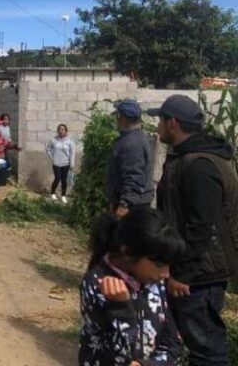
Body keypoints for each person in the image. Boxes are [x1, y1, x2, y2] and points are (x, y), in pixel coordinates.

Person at [149, 94, 238, 365]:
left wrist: (183, 275)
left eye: (161, 120)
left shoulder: (200, 165)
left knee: (207, 349)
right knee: (193, 343)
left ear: (173, 123)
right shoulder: (187, 158)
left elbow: (201, 226)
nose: (158, 126)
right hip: (193, 269)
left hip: (200, 275)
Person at [79, 207, 185, 365]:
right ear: (128, 252)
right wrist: (120, 307)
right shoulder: (97, 285)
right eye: (159, 264)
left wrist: (148, 364)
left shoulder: (154, 283)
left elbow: (173, 342)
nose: (166, 274)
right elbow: (119, 357)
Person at [106, 98, 154, 217]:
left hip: (132, 207)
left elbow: (133, 176)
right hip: (134, 203)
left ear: (122, 118)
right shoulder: (138, 137)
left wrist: (124, 204)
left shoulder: (132, 143)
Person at [46, 124, 75, 204]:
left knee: (64, 180)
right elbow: (48, 149)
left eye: (62, 129)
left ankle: (63, 196)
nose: (61, 131)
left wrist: (72, 164)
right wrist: (52, 158)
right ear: (57, 131)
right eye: (59, 129)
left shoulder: (70, 141)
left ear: (66, 131)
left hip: (66, 164)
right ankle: (53, 193)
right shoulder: (53, 140)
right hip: (56, 164)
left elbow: (72, 153)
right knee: (57, 178)